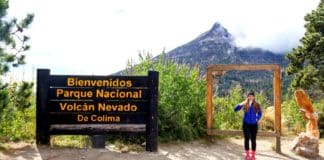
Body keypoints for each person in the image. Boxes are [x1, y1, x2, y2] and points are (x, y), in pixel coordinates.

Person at [234, 91, 262, 160]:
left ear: (254, 97)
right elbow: (235, 109)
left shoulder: (256, 104)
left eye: (252, 96)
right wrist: (240, 104)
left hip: (254, 125)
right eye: (249, 96)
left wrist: (256, 118)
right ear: (247, 97)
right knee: (246, 139)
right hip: (246, 124)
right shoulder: (244, 104)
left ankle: (253, 156)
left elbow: (260, 113)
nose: (251, 97)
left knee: (253, 140)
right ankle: (247, 155)